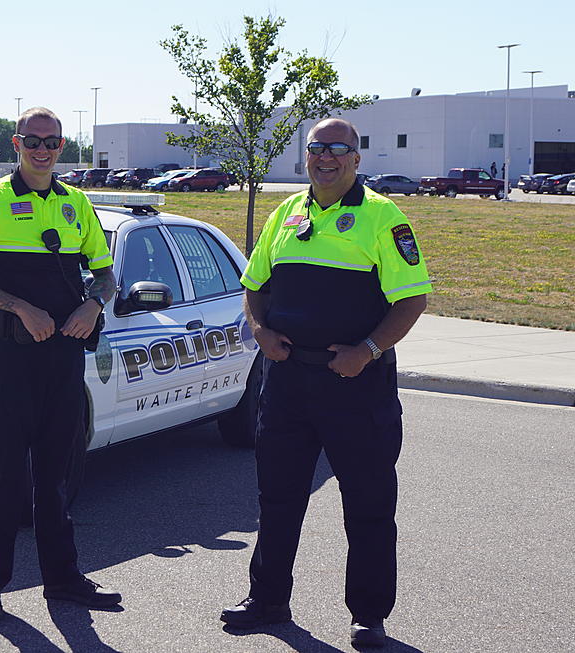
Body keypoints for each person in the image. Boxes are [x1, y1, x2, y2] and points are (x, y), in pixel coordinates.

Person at [220, 118, 431, 648]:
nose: (326, 158)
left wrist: (369, 350)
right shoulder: (286, 213)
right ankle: (267, 599)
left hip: (357, 388)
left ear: (357, 159)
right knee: (278, 498)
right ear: (305, 157)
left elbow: (412, 298)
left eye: (339, 149)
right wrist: (261, 331)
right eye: (317, 149)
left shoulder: (384, 218)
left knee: (368, 504)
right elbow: (255, 285)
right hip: (289, 381)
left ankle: (369, 616)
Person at [0, 107, 121, 623]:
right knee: (6, 479)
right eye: (34, 140)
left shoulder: (76, 203)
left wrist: (93, 304)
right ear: (17, 143)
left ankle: (63, 580)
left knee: (56, 477)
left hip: (62, 360)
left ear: (62, 147)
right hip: (10, 359)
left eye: (53, 142)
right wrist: (21, 307)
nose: (43, 149)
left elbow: (105, 275)